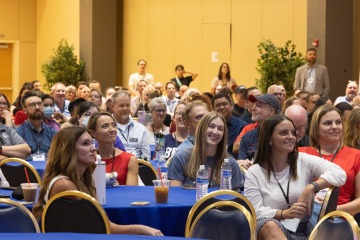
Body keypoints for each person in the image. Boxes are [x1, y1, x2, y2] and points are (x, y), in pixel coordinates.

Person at [32, 127, 163, 236]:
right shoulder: (64, 185)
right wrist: (141, 229)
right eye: (85, 144)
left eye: (92, 142)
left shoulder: (83, 179)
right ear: (68, 150)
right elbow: (104, 227)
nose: (93, 148)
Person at [245, 114, 346, 240]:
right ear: (269, 139)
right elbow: (255, 211)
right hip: (272, 228)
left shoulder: (302, 160)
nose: (291, 137)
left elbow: (339, 173)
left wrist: (312, 187)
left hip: (303, 229)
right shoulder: (254, 172)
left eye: (292, 133)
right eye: (283, 133)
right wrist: (284, 214)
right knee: (268, 224)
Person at [299, 104, 360, 225]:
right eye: (328, 123)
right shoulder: (301, 153)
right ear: (316, 128)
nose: (335, 127)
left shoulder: (356, 155)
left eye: (338, 122)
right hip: (305, 215)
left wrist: (331, 211)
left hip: (339, 218)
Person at [169, 112, 244, 191]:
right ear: (202, 129)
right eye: (211, 126)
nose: (215, 132)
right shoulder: (181, 157)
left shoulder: (231, 164)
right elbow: (175, 194)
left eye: (220, 129)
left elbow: (234, 200)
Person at [88, 112, 138, 186]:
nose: (112, 130)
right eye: (105, 126)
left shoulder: (130, 159)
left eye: (113, 125)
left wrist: (119, 188)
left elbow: (132, 193)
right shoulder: (88, 159)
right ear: (93, 133)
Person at [238, 94, 280, 166]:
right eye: (254, 105)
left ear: (271, 111)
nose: (253, 108)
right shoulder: (247, 137)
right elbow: (241, 164)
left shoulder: (282, 135)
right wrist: (240, 163)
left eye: (258, 105)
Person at [16, 91, 57, 161]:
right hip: (27, 170)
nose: (37, 107)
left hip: (47, 170)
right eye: (32, 105)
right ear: (25, 111)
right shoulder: (18, 133)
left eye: (39, 104)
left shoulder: (52, 133)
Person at [112, 90, 150, 160]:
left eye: (127, 105)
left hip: (138, 166)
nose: (125, 109)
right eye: (121, 106)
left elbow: (146, 157)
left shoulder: (141, 129)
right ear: (112, 107)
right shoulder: (107, 128)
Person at [212, 93, 246, 158]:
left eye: (224, 104)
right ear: (213, 109)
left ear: (232, 106)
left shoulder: (242, 126)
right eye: (218, 105)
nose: (221, 107)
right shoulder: (209, 128)